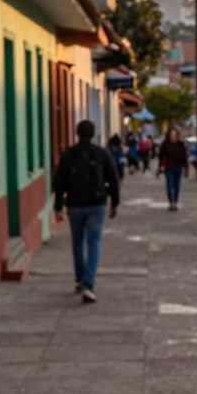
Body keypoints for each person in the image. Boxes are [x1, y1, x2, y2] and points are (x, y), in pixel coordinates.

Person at [52, 120, 120, 304]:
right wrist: (115, 202)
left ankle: (80, 279)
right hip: (97, 204)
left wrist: (58, 206)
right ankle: (89, 282)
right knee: (94, 242)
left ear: (76, 133)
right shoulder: (102, 154)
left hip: (74, 205)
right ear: (94, 133)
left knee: (77, 242)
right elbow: (113, 179)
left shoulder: (69, 154)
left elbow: (59, 182)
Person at [156, 127, 190, 211]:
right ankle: (171, 202)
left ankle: (175, 201)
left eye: (174, 134)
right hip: (169, 167)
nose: (173, 136)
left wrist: (186, 169)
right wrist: (159, 169)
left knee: (176, 186)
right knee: (170, 185)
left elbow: (184, 157)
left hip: (178, 167)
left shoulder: (181, 145)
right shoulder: (165, 144)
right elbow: (161, 157)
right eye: (171, 134)